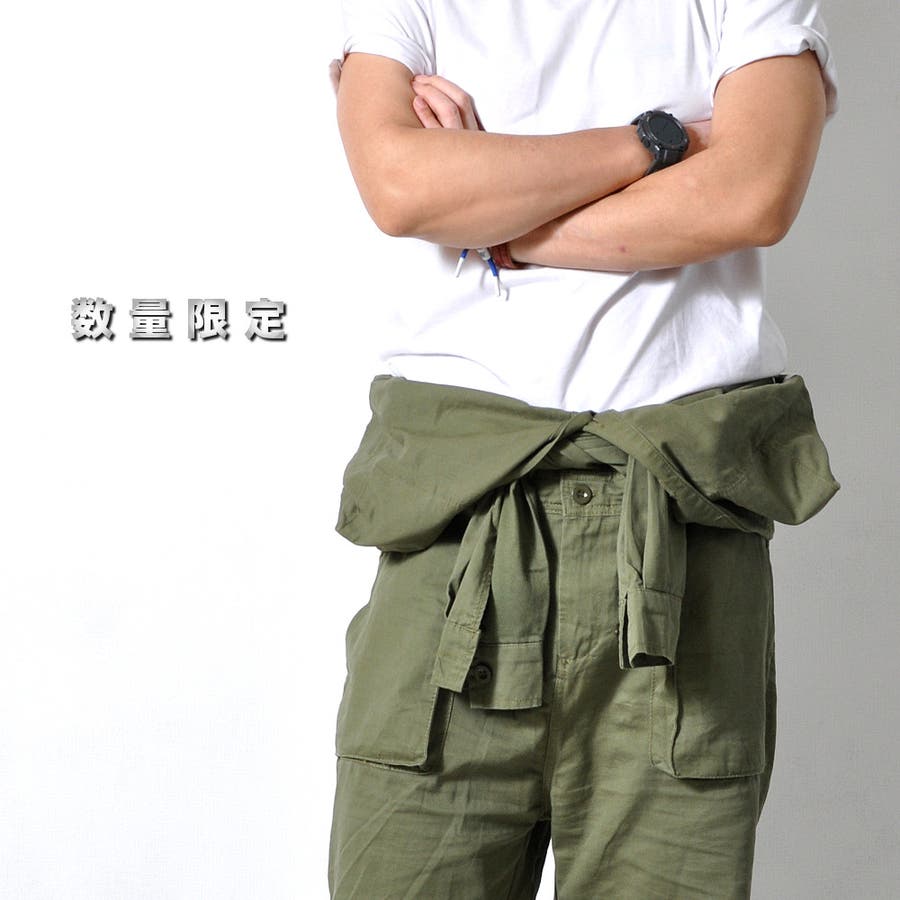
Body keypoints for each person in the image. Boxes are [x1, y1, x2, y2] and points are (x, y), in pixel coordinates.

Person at [327, 1, 841, 897]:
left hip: (678, 527)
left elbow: (752, 194)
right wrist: (661, 142)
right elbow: (404, 189)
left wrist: (496, 218)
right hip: (456, 524)